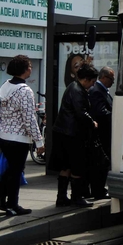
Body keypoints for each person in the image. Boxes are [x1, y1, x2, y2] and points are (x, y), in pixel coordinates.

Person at [50, 62, 98, 208]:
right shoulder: (78, 90)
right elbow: (80, 112)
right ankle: (76, 197)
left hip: (63, 132)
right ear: (87, 79)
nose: (92, 85)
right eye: (92, 82)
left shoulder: (72, 87)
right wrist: (92, 122)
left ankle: (61, 197)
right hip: (73, 135)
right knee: (78, 166)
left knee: (65, 166)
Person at [0, 55, 44, 216]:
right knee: (15, 172)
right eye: (30, 66)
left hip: (3, 136)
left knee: (10, 171)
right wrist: (39, 142)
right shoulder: (25, 91)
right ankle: (12, 205)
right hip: (18, 138)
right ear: (25, 70)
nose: (31, 69)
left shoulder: (5, 86)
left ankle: (3, 200)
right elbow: (29, 118)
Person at [87, 66, 114, 200]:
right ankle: (98, 190)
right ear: (103, 77)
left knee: (103, 162)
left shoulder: (102, 90)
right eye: (111, 78)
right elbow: (100, 112)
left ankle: (99, 189)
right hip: (101, 133)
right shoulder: (97, 91)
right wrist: (115, 116)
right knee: (101, 163)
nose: (113, 81)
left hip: (104, 133)